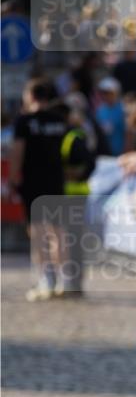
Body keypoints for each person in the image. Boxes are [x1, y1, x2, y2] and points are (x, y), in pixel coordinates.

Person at [9, 78, 68, 302]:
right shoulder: (60, 120)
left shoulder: (24, 121)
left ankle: (46, 280)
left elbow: (17, 151)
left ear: (30, 96)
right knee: (58, 232)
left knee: (37, 232)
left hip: (33, 183)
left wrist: (13, 179)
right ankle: (65, 280)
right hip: (57, 181)